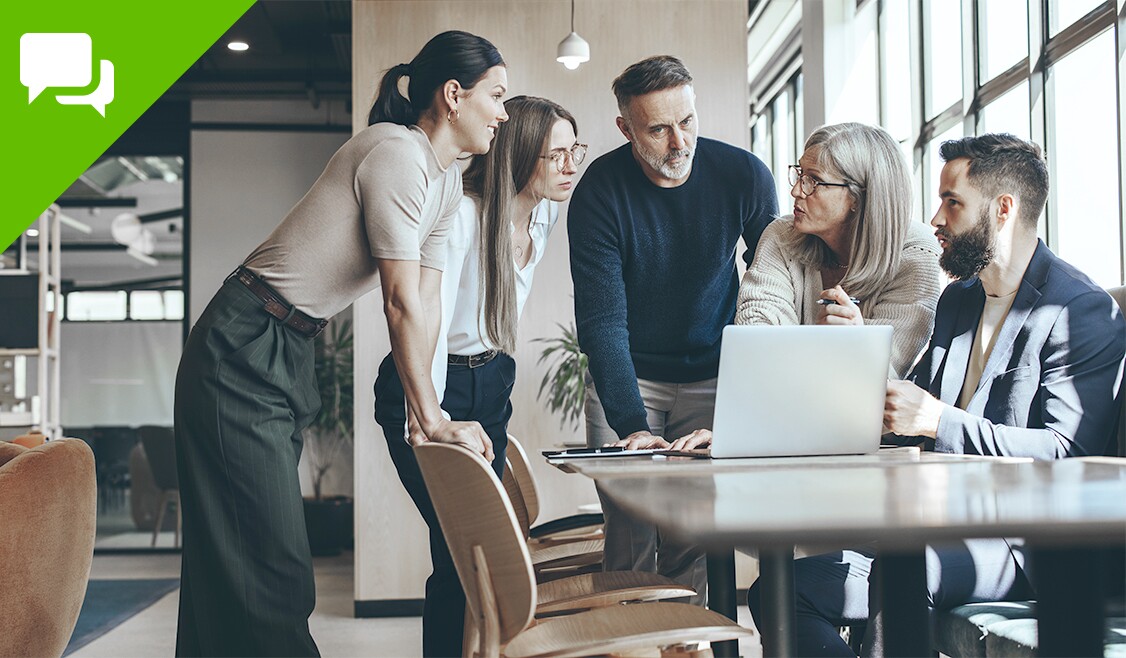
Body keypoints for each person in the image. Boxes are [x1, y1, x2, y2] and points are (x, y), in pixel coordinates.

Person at [173, 31, 507, 657]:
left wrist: (426, 415)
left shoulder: (444, 183)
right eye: (497, 96)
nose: (504, 113)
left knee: (242, 557)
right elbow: (398, 301)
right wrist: (432, 419)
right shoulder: (397, 154)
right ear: (454, 95)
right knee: (268, 566)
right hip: (242, 344)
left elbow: (427, 302)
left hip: (289, 345)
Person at [748, 133, 1126, 656]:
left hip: (1029, 544)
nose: (935, 219)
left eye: (952, 203)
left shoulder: (1078, 310)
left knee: (906, 565)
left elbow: (1068, 454)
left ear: (1003, 210)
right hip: (938, 526)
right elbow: (910, 409)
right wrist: (858, 363)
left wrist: (939, 421)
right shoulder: (959, 300)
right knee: (778, 591)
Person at [375, 95, 583, 657]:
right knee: (458, 549)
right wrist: (429, 416)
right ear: (518, 156)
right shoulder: (464, 217)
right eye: (556, 155)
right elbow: (428, 317)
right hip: (432, 382)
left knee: (480, 551)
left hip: (491, 381)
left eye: (575, 152)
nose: (570, 166)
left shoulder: (544, 212)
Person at [568, 55, 778, 603]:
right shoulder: (600, 191)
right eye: (658, 129)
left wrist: (757, 396)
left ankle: (684, 638)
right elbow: (602, 322)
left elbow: (775, 288)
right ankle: (632, 635)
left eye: (686, 121)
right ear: (626, 129)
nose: (679, 142)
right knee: (629, 526)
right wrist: (633, 425)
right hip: (630, 375)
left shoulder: (744, 176)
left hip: (713, 373)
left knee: (693, 530)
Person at [666, 122, 944, 453]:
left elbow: (883, 397)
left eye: (813, 180)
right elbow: (759, 354)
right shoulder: (781, 236)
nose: (796, 191)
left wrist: (858, 348)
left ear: (858, 197)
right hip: (783, 434)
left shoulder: (916, 256)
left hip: (875, 449)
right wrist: (740, 432)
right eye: (799, 174)